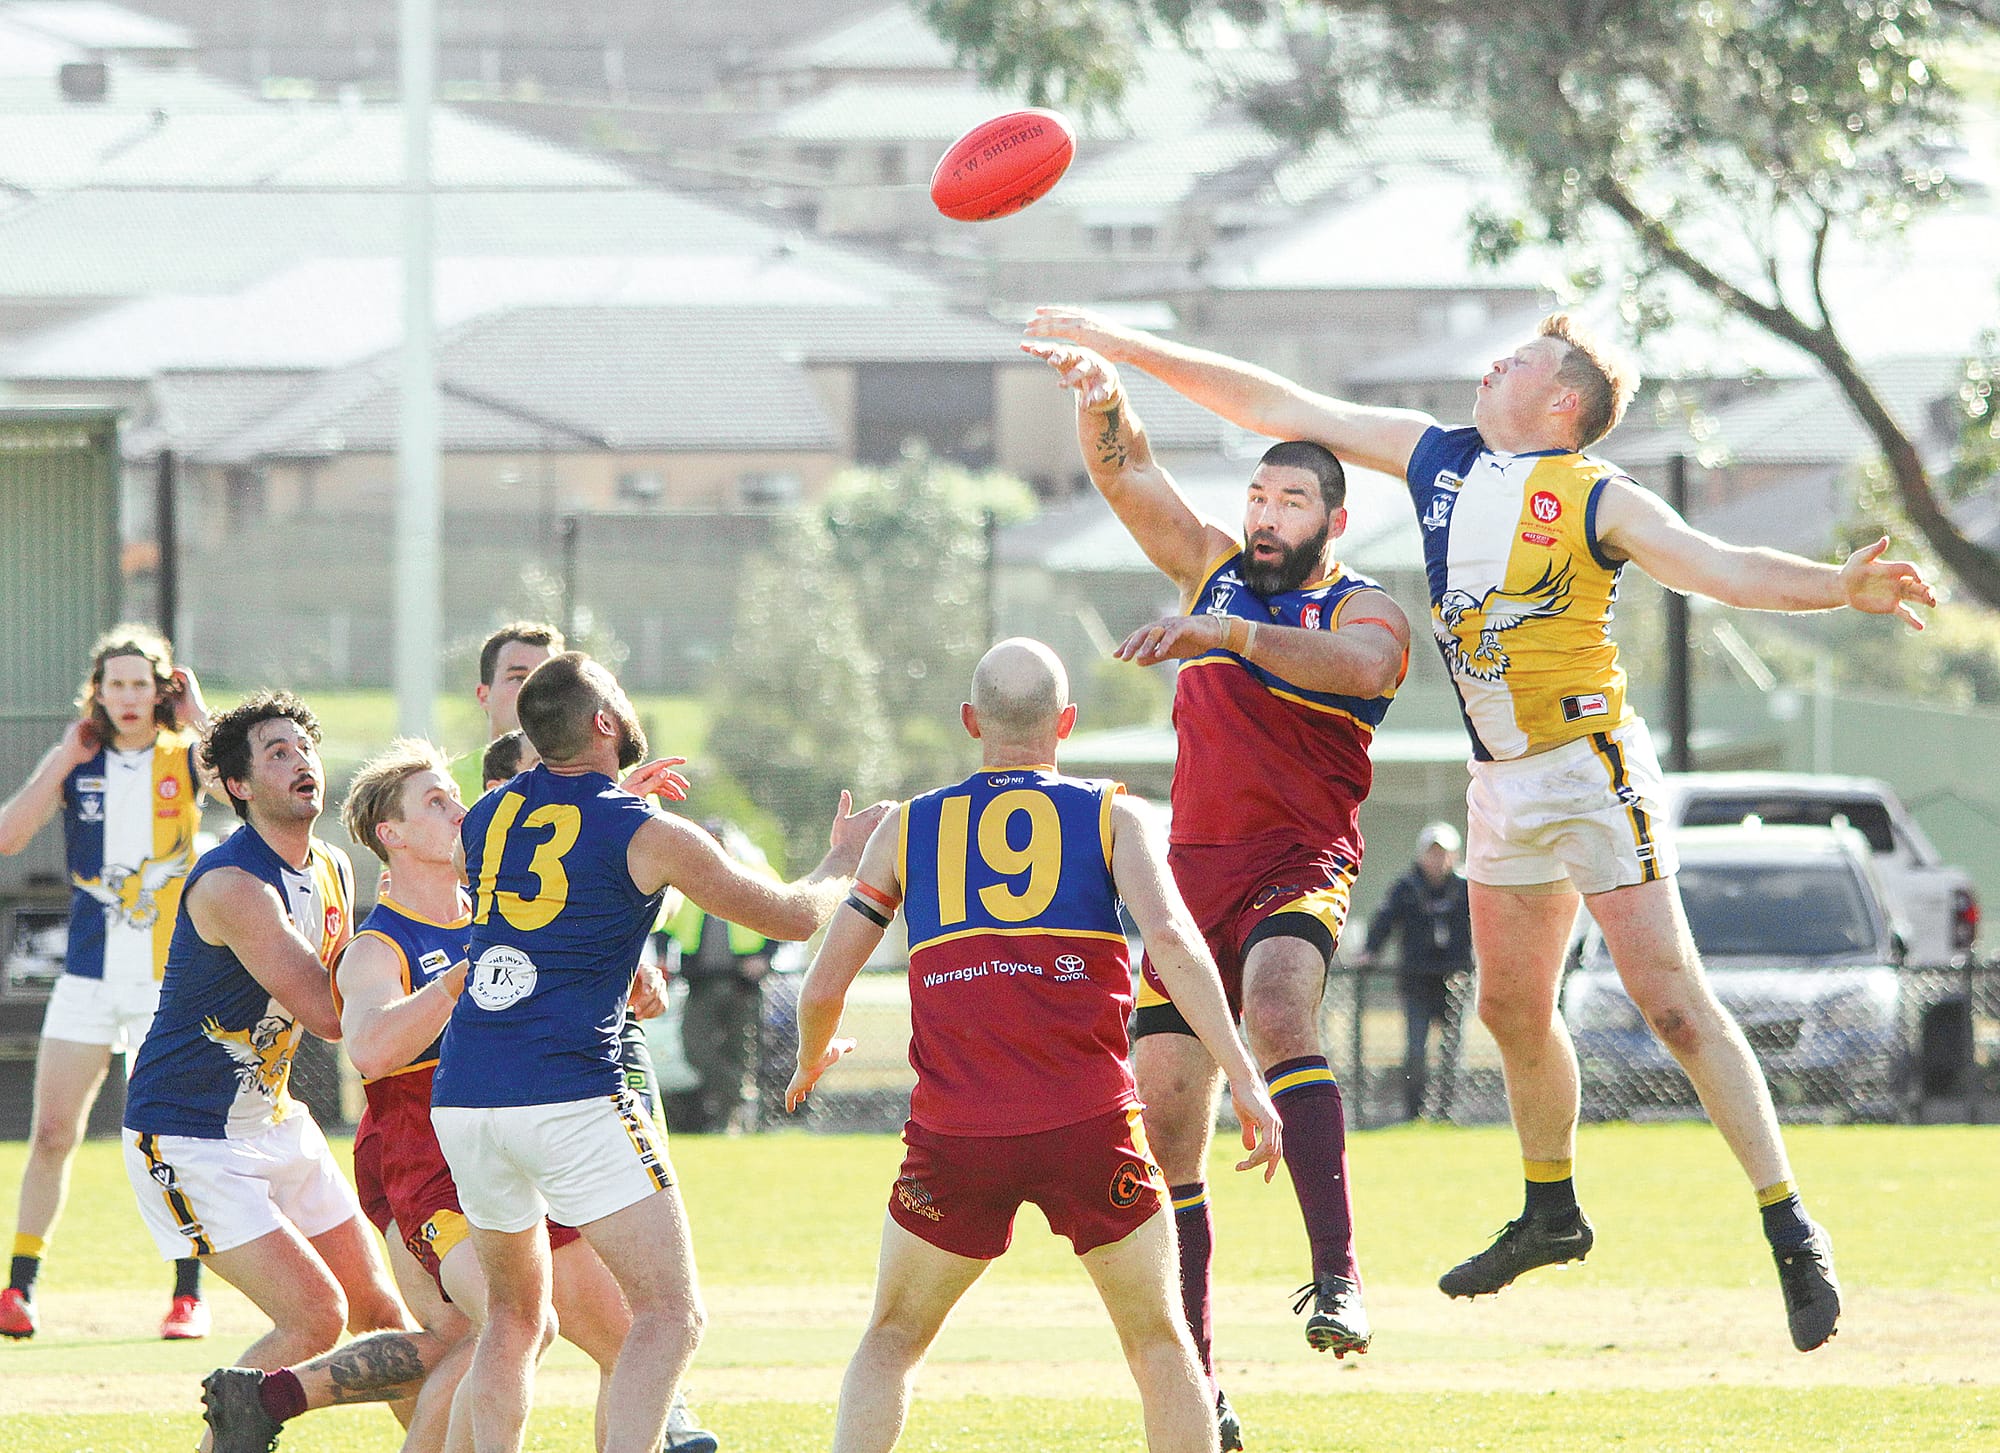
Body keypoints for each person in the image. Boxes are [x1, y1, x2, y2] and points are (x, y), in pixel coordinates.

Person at [1023, 305, 1938, 1352]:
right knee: (1506, 1010)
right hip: (1498, 782)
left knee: (1671, 1006)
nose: (1489, 364)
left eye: (1515, 360)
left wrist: (1835, 587)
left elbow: (1716, 566)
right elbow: (1273, 403)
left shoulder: (1597, 494)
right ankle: (1549, 1207)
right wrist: (1121, 348)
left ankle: (1787, 1223)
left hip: (1588, 767)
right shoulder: (1437, 459)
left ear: (1560, 402)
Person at [1023, 338, 1411, 1414]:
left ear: (1332, 519)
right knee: (1161, 1121)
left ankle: (1338, 1277)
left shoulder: (1359, 609)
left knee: (1280, 1008)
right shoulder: (1214, 574)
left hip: (1296, 862)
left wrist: (1226, 633)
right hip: (1188, 883)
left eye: (1290, 498)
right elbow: (1128, 474)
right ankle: (1200, 1386)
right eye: (1255, 494)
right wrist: (1101, 400)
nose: (1264, 513)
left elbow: (1365, 670)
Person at [787, 637, 1283, 1453]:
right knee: (1163, 1345)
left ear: (971, 720)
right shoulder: (1114, 814)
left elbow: (819, 987)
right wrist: (1244, 1074)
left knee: (889, 1341)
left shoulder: (907, 827)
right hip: (1091, 1126)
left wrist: (812, 1057)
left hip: (955, 1136)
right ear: (1069, 724)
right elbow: (1175, 944)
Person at [430, 651, 890, 1453]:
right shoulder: (646, 831)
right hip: (568, 1088)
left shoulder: (487, 813)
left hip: (467, 1090)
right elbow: (788, 916)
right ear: (605, 722)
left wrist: (616, 811)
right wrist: (843, 859)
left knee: (511, 1319)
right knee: (671, 1315)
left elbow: (556, 861)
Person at [201, 738, 693, 1453]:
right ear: (390, 835)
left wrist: (618, 810)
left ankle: (279, 1394)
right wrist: (461, 975)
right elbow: (367, 1046)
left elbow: (580, 908)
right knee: (516, 1321)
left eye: (455, 795)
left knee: (626, 1335)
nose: (459, 808)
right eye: (436, 800)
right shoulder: (382, 945)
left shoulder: (494, 912)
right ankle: (280, 1394)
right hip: (431, 1165)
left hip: (522, 1146)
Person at [120, 692, 411, 1393]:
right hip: (187, 1135)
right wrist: (431, 966)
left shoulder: (334, 867)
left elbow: (355, 989)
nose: (300, 760)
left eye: (303, 747)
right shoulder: (233, 884)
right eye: (276, 753)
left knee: (384, 1317)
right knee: (316, 1316)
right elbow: (328, 1009)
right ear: (239, 787)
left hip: (274, 1119)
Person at [0, 625, 212, 1341]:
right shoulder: (80, 760)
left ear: (162, 688)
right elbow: (8, 834)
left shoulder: (185, 755)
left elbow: (241, 791)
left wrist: (201, 716)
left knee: (169, 1138)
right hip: (87, 978)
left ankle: (188, 1292)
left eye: (139, 683)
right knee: (53, 1131)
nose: (127, 696)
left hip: (164, 979)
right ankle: (19, 1287)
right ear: (98, 691)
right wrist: (62, 757)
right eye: (114, 684)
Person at [1353, 823, 1474, 1121]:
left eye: (1443, 853)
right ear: (1421, 856)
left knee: (1451, 1053)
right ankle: (1414, 1114)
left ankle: (1446, 1112)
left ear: (1454, 855)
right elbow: (1384, 920)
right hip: (1417, 981)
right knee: (1416, 1052)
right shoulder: (1406, 888)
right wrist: (1370, 951)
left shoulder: (1465, 888)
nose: (1437, 860)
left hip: (1454, 982)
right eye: (1432, 853)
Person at [660, 822, 774, 1135]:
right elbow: (665, 923)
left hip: (742, 984)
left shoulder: (756, 876)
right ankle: (740, 1093)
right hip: (701, 982)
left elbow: (785, 916)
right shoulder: (686, 880)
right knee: (694, 1048)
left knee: (741, 1051)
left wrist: (764, 956)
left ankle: (732, 1123)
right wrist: (661, 956)